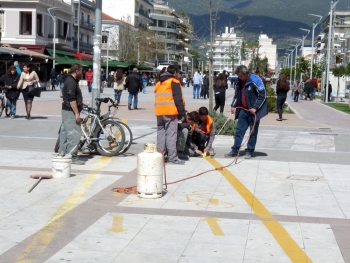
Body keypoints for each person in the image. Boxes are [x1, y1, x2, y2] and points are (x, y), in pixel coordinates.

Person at [225, 65, 268, 159]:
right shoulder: (239, 82)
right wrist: (233, 105)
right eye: (238, 76)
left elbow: (263, 95)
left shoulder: (255, 80)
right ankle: (234, 150)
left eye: (240, 76)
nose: (239, 78)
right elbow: (237, 94)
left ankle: (249, 151)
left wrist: (255, 108)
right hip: (243, 110)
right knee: (239, 131)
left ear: (246, 74)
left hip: (253, 112)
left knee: (252, 133)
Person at [155, 65, 186, 165]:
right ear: (175, 73)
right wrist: (182, 113)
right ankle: (173, 157)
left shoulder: (159, 82)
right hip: (170, 112)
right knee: (171, 134)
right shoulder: (174, 81)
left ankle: (160, 156)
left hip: (159, 111)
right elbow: (178, 98)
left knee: (161, 133)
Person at [58, 63, 85, 165]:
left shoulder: (70, 80)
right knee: (75, 133)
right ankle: (72, 156)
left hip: (66, 110)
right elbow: (72, 99)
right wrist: (77, 113)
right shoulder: (71, 82)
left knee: (65, 132)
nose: (82, 73)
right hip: (70, 111)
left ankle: (62, 152)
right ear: (77, 71)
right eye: (81, 71)